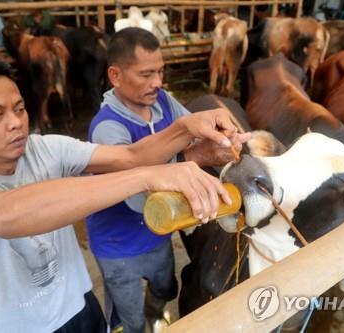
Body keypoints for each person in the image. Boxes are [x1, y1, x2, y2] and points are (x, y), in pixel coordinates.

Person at [0, 57, 247, 333]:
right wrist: (147, 178)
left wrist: (187, 127)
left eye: (20, 108)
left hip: (81, 304)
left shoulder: (43, 148)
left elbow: (132, 156)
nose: (16, 123)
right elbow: (3, 215)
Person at [86, 28, 249, 333]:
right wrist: (198, 155)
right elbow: (140, 199)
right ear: (115, 76)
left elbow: (194, 132)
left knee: (164, 289)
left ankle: (156, 315)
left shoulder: (162, 102)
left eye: (160, 72)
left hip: (160, 233)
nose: (157, 83)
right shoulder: (107, 128)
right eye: (146, 74)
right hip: (120, 246)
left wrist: (222, 142)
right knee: (130, 318)